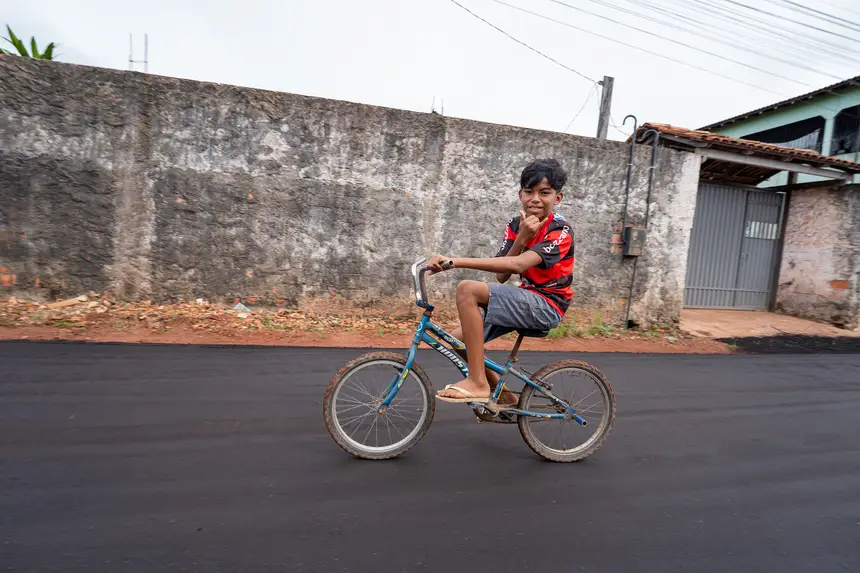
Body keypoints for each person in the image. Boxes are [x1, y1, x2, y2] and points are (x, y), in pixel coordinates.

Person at [427, 158, 574, 405]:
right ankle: (504, 397)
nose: (535, 199)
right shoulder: (516, 225)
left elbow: (517, 265)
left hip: (548, 305)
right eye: (529, 191)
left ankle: (478, 382)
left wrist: (455, 261)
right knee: (458, 339)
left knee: (467, 289)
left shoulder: (560, 231)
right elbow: (502, 276)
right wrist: (521, 238)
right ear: (520, 195)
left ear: (557, 198)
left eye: (544, 192)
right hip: (526, 297)